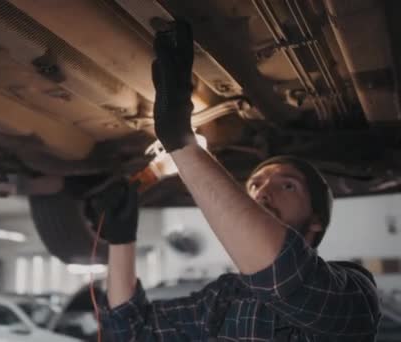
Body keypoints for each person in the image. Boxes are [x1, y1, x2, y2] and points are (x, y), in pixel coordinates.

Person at [91, 20, 381, 341]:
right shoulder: (225, 299)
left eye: (287, 185)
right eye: (255, 184)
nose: (263, 191)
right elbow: (133, 332)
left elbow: (281, 275)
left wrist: (181, 142)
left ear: (316, 222)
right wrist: (121, 239)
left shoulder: (354, 294)